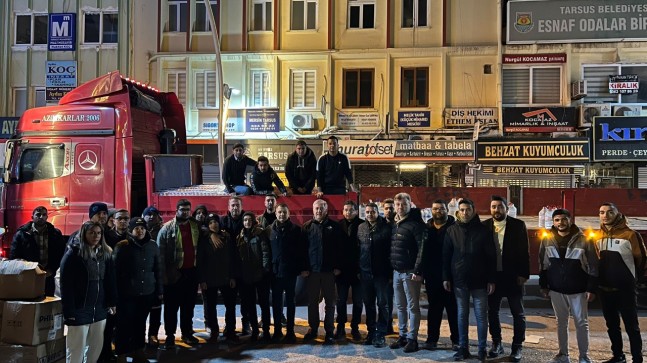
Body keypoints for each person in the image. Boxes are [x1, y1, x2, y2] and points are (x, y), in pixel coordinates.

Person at [539, 209, 599, 363]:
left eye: (564, 219)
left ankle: (583, 357)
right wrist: (543, 285)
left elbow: (593, 265)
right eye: (557, 220)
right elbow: (543, 265)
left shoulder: (583, 239)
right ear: (553, 222)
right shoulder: (547, 240)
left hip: (578, 289)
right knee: (561, 322)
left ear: (570, 220)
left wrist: (591, 288)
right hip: (556, 289)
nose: (560, 223)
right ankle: (563, 355)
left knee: (581, 323)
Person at [443, 198, 496, 361]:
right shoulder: (451, 230)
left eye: (468, 209)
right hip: (459, 280)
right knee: (461, 315)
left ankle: (482, 350)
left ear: (473, 210)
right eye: (462, 210)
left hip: (480, 281)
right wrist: (446, 277)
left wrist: (491, 279)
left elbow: (491, 257)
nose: (465, 213)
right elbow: (446, 256)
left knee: (481, 316)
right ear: (458, 211)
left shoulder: (483, 230)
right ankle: (463, 348)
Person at [595, 203, 646, 363]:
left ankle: (637, 358)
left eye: (610, 212)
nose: (605, 215)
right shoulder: (597, 236)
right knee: (612, 326)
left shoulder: (630, 235)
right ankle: (618, 356)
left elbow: (642, 259)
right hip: (605, 289)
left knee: (632, 327)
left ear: (617, 214)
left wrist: (635, 280)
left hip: (625, 290)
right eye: (602, 212)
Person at [60, 221, 116, 363]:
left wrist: (111, 302)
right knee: (76, 349)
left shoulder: (106, 253)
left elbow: (110, 280)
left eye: (98, 233)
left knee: (95, 348)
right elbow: (66, 286)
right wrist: (69, 313)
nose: (95, 236)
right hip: (80, 309)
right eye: (91, 233)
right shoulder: (73, 254)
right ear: (84, 234)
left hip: (99, 310)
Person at [482, 196, 530, 362]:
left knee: (518, 313)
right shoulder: (485, 226)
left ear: (506, 209)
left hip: (513, 277)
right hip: (493, 278)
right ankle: (497, 344)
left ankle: (517, 347)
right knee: (492, 312)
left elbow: (524, 251)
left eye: (500, 207)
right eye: (493, 207)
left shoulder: (518, 225)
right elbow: (482, 256)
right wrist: (486, 278)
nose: (496, 210)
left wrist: (524, 274)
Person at [113, 218, 163, 363]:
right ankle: (121, 353)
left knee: (140, 323)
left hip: (147, 292)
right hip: (127, 293)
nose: (140, 231)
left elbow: (158, 269)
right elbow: (114, 272)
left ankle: (138, 351)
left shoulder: (153, 246)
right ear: (131, 230)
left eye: (142, 228)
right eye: (136, 228)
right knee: (124, 324)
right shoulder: (122, 246)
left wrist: (159, 290)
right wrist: (115, 294)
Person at [157, 199, 201, 348]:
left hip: (191, 273)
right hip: (173, 274)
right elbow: (160, 256)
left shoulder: (195, 225)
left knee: (188, 307)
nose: (185, 212)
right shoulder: (166, 229)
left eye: (188, 209)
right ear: (176, 211)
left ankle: (187, 333)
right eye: (182, 209)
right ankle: (170, 336)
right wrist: (163, 278)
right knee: (171, 308)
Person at [389, 192, 428, 353]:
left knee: (413, 307)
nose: (400, 207)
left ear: (410, 205)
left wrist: (417, 270)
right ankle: (403, 335)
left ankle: (413, 339)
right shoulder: (396, 223)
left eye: (403, 204)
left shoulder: (416, 224)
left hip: (410, 273)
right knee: (400, 306)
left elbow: (422, 249)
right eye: (397, 205)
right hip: (397, 272)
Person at [302, 199, 343, 345]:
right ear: (313, 210)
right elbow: (302, 251)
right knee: (312, 302)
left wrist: (338, 267)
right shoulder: (306, 227)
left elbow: (340, 249)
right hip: (312, 272)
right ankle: (313, 329)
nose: (319, 211)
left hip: (329, 272)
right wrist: (304, 268)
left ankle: (329, 332)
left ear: (326, 210)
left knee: (330, 303)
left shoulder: (335, 227)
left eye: (321, 208)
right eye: (317, 208)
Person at [421, 199, 459, 351]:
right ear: (431, 210)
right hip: (432, 277)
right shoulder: (427, 228)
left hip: (451, 276)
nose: (439, 211)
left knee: (453, 309)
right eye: (436, 209)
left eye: (442, 209)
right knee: (434, 309)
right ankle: (432, 339)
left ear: (447, 210)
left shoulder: (454, 227)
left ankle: (456, 340)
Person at [267, 203, 305, 343]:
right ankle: (277, 331)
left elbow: (301, 251)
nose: (281, 214)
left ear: (289, 214)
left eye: (284, 212)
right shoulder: (269, 230)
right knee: (276, 304)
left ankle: (290, 331)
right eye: (279, 212)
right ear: (276, 213)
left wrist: (301, 268)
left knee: (290, 302)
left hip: (290, 273)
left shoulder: (296, 230)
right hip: (275, 273)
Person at [197, 213, 237, 343]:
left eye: (216, 222)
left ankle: (230, 330)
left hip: (226, 277)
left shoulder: (227, 237)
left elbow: (232, 259)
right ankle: (214, 330)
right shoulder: (203, 240)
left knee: (230, 306)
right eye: (210, 223)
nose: (214, 224)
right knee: (210, 306)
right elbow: (200, 261)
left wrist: (232, 276)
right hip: (210, 279)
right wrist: (202, 280)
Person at [357, 202, 392, 348]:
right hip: (365, 273)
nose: (370, 214)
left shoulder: (386, 228)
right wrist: (359, 269)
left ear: (378, 212)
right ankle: (371, 332)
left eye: (373, 212)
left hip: (381, 274)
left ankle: (381, 333)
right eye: (367, 212)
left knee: (383, 304)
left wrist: (390, 273)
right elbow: (358, 250)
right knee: (369, 304)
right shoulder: (361, 227)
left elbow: (391, 251)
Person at [10, 206, 66, 296]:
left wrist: (52, 269)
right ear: (32, 217)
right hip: (29, 275)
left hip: (48, 275)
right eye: (38, 214)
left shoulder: (55, 234)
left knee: (48, 301)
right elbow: (14, 256)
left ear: (47, 217)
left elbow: (61, 253)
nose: (41, 217)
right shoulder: (22, 234)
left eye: (44, 215)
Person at [236, 212, 272, 342]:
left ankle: (266, 330)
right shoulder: (239, 236)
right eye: (245, 220)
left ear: (253, 221)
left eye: (249, 220)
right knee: (250, 305)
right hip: (246, 276)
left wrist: (265, 270)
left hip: (261, 275)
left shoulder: (259, 234)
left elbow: (265, 252)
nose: (247, 222)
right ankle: (255, 331)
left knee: (264, 304)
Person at [101, 209, 130, 361]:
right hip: (110, 285)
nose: (123, 221)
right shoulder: (106, 237)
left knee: (124, 324)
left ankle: (122, 353)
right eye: (120, 218)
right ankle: (105, 353)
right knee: (108, 323)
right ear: (114, 220)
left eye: (126, 218)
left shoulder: (132, 237)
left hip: (127, 287)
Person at [221, 196, 251, 335]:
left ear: (241, 206)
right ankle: (230, 327)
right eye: (232, 205)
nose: (235, 208)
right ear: (228, 207)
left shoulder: (247, 221)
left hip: (245, 269)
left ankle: (246, 325)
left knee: (246, 300)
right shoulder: (222, 222)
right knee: (229, 302)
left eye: (237, 205)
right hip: (228, 269)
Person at [335, 200, 364, 342]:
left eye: (350, 210)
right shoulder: (337, 226)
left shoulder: (363, 225)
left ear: (356, 211)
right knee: (340, 301)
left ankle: (355, 328)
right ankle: (340, 327)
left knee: (358, 302)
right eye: (345, 210)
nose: (347, 212)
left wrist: (361, 269)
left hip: (358, 271)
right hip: (341, 271)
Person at [142, 206, 164, 347]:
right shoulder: (137, 231)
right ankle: (140, 335)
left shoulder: (163, 231)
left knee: (156, 308)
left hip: (157, 273)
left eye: (154, 214)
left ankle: (153, 335)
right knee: (140, 311)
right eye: (148, 214)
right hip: (142, 276)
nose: (151, 217)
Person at [382, 198, 397, 335]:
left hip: (399, 267)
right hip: (384, 269)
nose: (389, 210)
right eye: (386, 208)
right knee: (386, 298)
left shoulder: (399, 224)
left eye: (391, 208)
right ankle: (387, 324)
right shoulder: (380, 225)